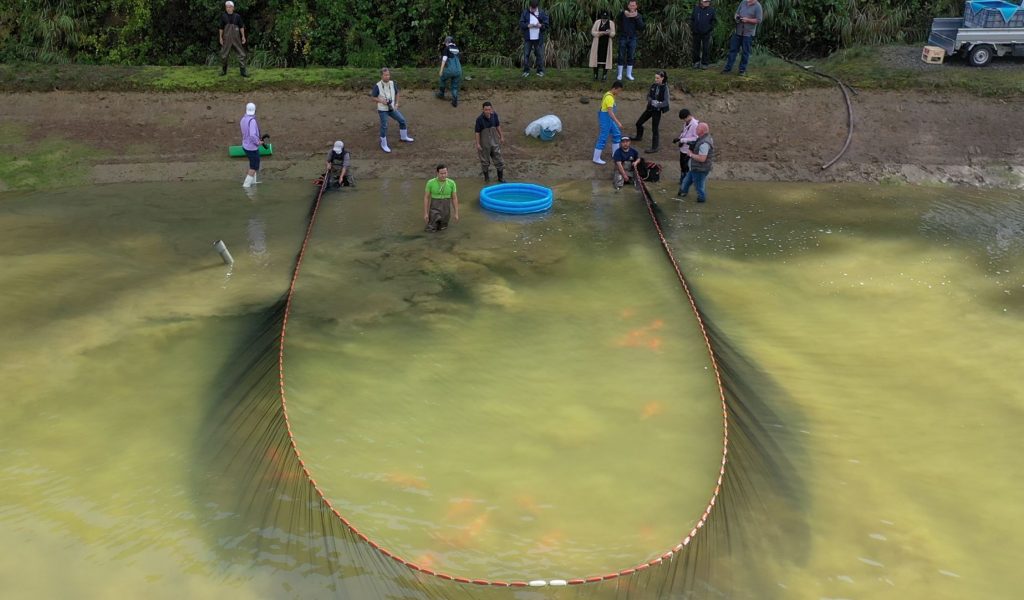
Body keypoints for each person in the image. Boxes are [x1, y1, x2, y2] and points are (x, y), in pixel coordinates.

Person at [371, 67, 414, 153]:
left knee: (402, 120)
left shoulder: (392, 83)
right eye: (385, 75)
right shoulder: (378, 85)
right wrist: (381, 101)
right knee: (384, 126)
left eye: (388, 75)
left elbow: (397, 93)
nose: (388, 76)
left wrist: (397, 103)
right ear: (381, 76)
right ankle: (383, 144)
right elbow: (373, 97)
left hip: (391, 107)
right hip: (382, 109)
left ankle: (403, 137)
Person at [633, 70, 670, 153]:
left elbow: (666, 102)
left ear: (662, 78)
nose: (655, 80)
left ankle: (655, 147)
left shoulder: (665, 88)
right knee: (639, 123)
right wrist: (650, 100)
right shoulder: (654, 85)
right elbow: (648, 95)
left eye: (657, 78)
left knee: (655, 129)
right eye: (655, 78)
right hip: (650, 108)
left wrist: (658, 104)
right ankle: (639, 137)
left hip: (657, 111)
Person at [722, 0, 762, 76]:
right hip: (738, 31)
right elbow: (736, 13)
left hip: (748, 33)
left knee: (745, 52)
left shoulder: (758, 6)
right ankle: (727, 69)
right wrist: (736, 17)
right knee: (732, 50)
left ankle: (742, 70)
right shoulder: (743, 2)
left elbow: (759, 20)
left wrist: (747, 20)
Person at [678, 122, 714, 202]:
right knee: (686, 182)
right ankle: (682, 193)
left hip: (700, 170)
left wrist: (690, 154)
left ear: (701, 131)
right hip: (695, 168)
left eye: (697, 128)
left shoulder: (704, 143)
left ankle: (701, 202)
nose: (695, 129)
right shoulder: (703, 138)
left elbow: (702, 159)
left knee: (699, 188)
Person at [593, 80, 624, 165]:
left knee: (616, 134)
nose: (619, 92)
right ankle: (596, 158)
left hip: (608, 119)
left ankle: (616, 155)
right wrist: (618, 122)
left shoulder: (608, 94)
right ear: (614, 88)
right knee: (603, 137)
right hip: (606, 119)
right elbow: (610, 113)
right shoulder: (609, 98)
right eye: (619, 91)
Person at [475, 102, 505, 183]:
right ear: (483, 110)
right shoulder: (479, 119)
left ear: (491, 109)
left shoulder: (495, 115)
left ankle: (500, 178)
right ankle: (487, 179)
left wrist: (501, 136)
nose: (488, 111)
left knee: (499, 159)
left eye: (489, 109)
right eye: (486, 110)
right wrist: (478, 144)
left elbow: (498, 126)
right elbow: (477, 132)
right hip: (484, 143)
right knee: (485, 161)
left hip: (494, 141)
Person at [423, 164, 459, 232]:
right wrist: (425, 213)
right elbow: (426, 198)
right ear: (437, 173)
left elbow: (454, 198)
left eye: (445, 173)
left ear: (447, 173)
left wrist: (456, 213)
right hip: (434, 209)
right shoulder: (430, 183)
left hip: (446, 210)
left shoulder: (452, 183)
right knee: (431, 229)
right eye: (441, 173)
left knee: (443, 229)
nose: (443, 175)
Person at [520, 0, 550, 78]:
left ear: (537, 7)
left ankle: (540, 71)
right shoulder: (525, 12)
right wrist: (527, 25)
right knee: (526, 55)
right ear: (529, 6)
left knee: (539, 55)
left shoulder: (542, 12)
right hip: (528, 38)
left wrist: (540, 25)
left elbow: (546, 25)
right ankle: (526, 71)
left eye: (534, 8)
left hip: (538, 38)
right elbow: (521, 23)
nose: (532, 9)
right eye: (531, 8)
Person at [616, 1, 645, 81]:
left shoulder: (638, 15)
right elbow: (617, 19)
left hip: (633, 38)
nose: (632, 6)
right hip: (623, 37)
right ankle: (620, 74)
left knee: (631, 56)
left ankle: (629, 74)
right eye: (630, 5)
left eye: (633, 5)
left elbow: (641, 27)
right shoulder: (623, 13)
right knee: (621, 55)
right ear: (628, 6)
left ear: (636, 6)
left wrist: (636, 17)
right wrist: (623, 12)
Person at [218, 1, 248, 77]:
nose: (228, 8)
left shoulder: (237, 16)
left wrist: (243, 36)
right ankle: (224, 71)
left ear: (233, 8)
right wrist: (220, 37)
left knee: (242, 54)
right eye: (227, 7)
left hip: (236, 39)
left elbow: (241, 27)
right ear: (226, 8)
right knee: (224, 55)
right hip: (226, 39)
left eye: (230, 7)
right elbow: (221, 28)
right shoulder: (223, 16)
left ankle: (243, 72)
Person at [675, 108, 700, 190]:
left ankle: (686, 182)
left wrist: (682, 140)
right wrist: (679, 138)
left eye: (685, 118)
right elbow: (684, 132)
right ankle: (682, 179)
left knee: (686, 166)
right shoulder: (686, 123)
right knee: (682, 165)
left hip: (688, 149)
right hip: (683, 148)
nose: (684, 120)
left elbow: (695, 138)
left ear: (689, 116)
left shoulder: (695, 124)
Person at [690, 0, 717, 69]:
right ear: (701, 2)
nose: (708, 2)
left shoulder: (711, 10)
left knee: (706, 48)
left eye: (708, 1)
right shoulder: (696, 9)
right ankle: (696, 62)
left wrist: (709, 29)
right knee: (696, 48)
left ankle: (705, 63)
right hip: (696, 32)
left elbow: (713, 21)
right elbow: (692, 19)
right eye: (706, 1)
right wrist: (693, 28)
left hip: (706, 33)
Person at [589, 11, 615, 81]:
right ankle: (595, 75)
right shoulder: (597, 22)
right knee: (596, 60)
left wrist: (609, 33)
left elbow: (613, 33)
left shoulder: (611, 23)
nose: (604, 19)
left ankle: (604, 75)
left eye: (605, 18)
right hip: (598, 43)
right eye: (603, 18)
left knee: (606, 60)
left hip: (606, 44)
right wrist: (600, 33)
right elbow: (593, 32)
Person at [436, 36, 463, 107]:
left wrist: (441, 70)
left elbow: (444, 60)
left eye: (445, 43)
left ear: (448, 42)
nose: (445, 44)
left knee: (442, 78)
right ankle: (455, 101)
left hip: (450, 70)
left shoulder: (447, 48)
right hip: (459, 70)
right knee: (454, 86)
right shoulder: (457, 49)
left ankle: (441, 94)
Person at [240, 102, 261, 188]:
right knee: (254, 166)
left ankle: (253, 183)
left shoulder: (243, 119)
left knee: (253, 164)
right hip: (252, 147)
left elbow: (246, 133)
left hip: (245, 145)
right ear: (255, 110)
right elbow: (252, 135)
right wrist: (258, 142)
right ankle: (246, 185)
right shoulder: (252, 121)